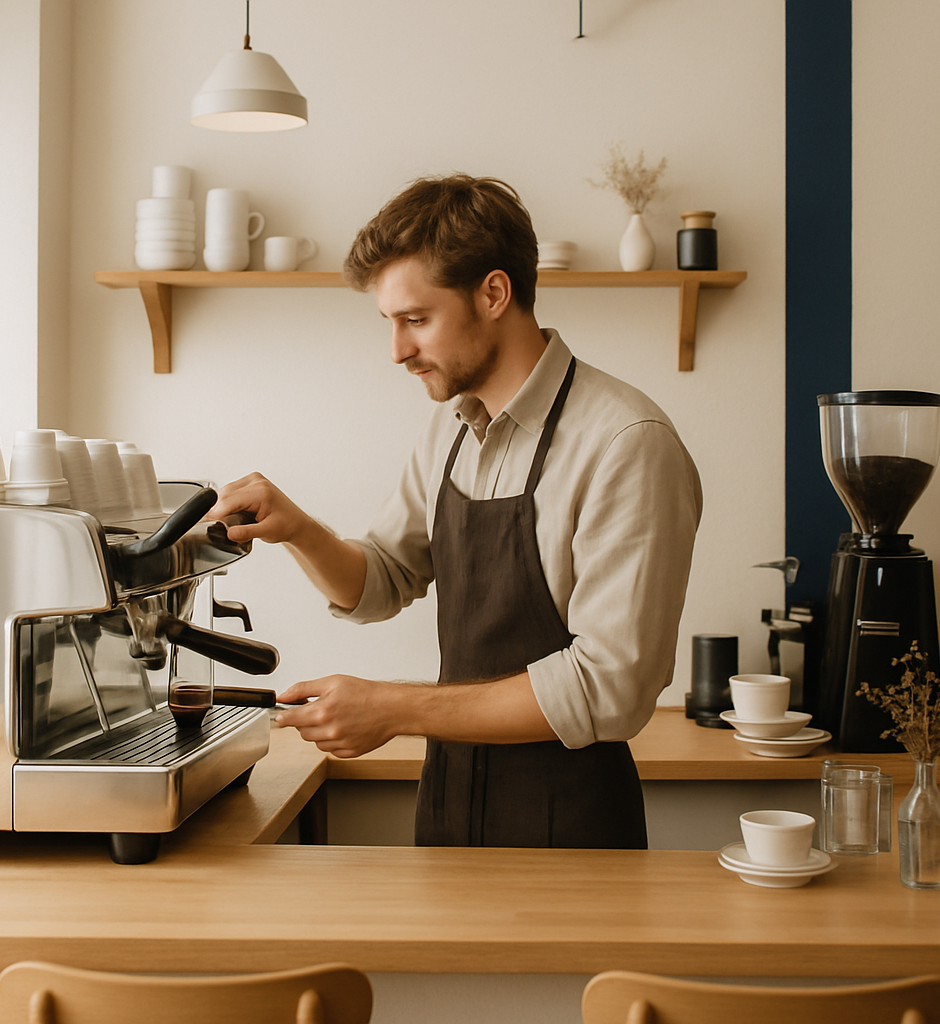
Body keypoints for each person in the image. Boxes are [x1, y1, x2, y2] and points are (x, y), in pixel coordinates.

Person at [207, 174, 702, 849]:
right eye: (389, 323)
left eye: (416, 319)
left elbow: (609, 688)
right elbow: (380, 581)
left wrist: (393, 708)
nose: (397, 351)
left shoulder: (625, 444)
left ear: (493, 293)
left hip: (574, 838)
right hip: (446, 811)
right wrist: (296, 528)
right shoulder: (452, 428)